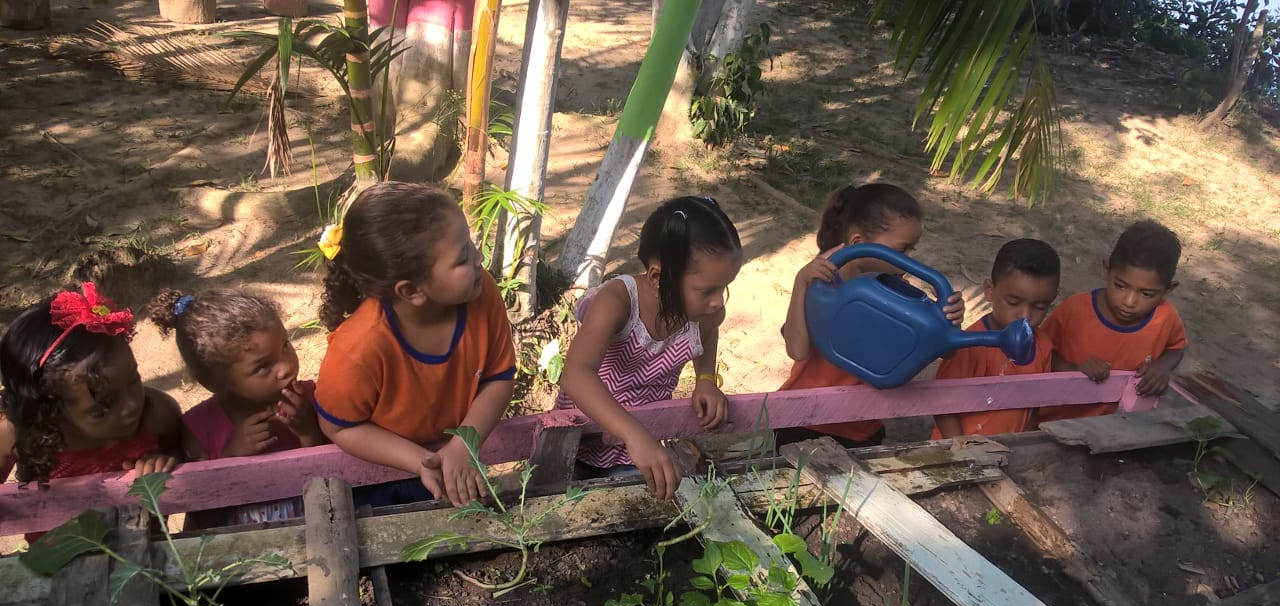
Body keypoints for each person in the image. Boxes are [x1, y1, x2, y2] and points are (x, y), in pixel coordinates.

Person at [313, 182, 516, 507]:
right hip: (379, 479)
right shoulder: (357, 350)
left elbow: (499, 378)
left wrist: (463, 445)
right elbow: (339, 427)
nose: (479, 257)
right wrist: (421, 461)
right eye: (463, 258)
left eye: (471, 245)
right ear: (411, 291)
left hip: (458, 460)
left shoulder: (482, 292)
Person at [557, 196, 743, 501]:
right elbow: (576, 375)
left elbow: (708, 336)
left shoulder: (704, 316)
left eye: (724, 287)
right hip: (577, 438)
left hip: (639, 447)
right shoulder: (617, 302)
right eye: (707, 290)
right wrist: (633, 434)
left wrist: (706, 380)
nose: (718, 301)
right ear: (658, 276)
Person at [775, 183, 963, 449]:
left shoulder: (894, 287)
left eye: (912, 250)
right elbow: (797, 350)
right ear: (859, 243)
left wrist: (949, 321)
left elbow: (945, 352)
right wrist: (800, 282)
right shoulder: (822, 279)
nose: (908, 261)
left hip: (863, 424)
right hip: (804, 420)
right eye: (901, 250)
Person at [148, 288, 324, 524]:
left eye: (285, 345)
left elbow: (332, 479)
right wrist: (232, 457)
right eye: (263, 367)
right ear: (215, 382)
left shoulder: (312, 398)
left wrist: (308, 431)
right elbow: (202, 516)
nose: (286, 367)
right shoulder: (200, 428)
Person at [0, 283, 182, 488]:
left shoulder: (158, 414)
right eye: (103, 407)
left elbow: (188, 456)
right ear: (50, 411)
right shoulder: (19, 434)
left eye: (133, 379)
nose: (131, 405)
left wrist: (166, 460)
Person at [1039, 220, 1187, 422]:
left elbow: (1176, 348)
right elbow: (1040, 353)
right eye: (1121, 286)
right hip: (1054, 419)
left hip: (1115, 424)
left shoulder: (1165, 317)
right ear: (1107, 271)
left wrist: (1161, 368)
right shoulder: (1075, 310)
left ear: (1168, 290)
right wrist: (1075, 370)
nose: (1129, 302)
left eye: (1146, 294)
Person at [932, 238, 1060, 438]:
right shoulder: (970, 345)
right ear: (990, 290)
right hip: (963, 449)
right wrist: (962, 447)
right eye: (1014, 302)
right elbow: (943, 403)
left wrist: (1024, 442)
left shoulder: (1042, 345)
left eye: (1040, 307)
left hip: (1009, 449)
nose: (1025, 315)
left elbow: (1034, 404)